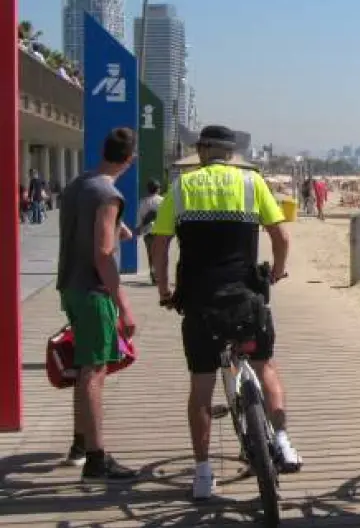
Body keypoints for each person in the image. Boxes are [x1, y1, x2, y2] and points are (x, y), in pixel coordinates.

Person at [150, 125, 301, 500]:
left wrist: (164, 289)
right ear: (232, 154)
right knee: (265, 367)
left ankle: (203, 474)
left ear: (202, 151)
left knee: (201, 388)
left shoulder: (182, 187)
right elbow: (281, 237)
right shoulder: (252, 183)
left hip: (200, 301)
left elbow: (160, 244)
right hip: (246, 297)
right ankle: (282, 441)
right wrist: (278, 271)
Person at [55, 128, 139, 481]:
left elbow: (88, 227)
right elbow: (103, 254)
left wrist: (119, 227)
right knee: (94, 371)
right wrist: (124, 305)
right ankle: (96, 457)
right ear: (130, 159)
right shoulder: (109, 194)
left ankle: (80, 444)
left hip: (70, 286)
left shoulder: (79, 184)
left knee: (84, 366)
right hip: (94, 291)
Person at [137, 180, 164, 284]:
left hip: (147, 232)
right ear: (158, 189)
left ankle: (153, 275)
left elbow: (139, 217)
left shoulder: (143, 202)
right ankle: (160, 275)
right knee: (161, 254)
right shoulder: (163, 200)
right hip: (161, 231)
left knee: (151, 254)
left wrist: (138, 229)